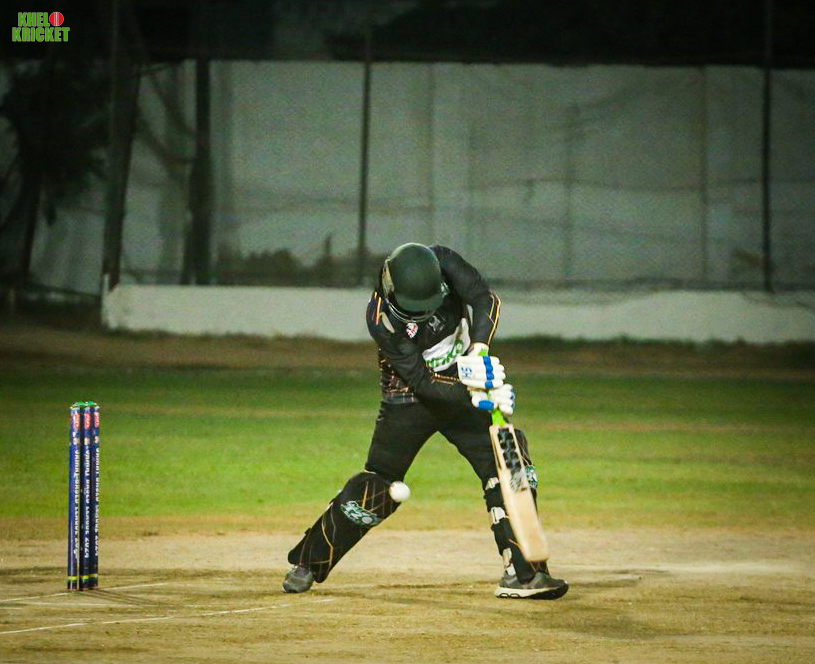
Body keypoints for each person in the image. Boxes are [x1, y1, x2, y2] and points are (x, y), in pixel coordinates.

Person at [282, 243, 568, 599]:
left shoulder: (443, 262)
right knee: (380, 485)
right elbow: (421, 381)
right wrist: (476, 394)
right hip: (409, 399)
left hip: (463, 380)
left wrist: (478, 349)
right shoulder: (381, 319)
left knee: (510, 463)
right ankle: (308, 563)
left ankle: (524, 574)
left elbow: (485, 299)